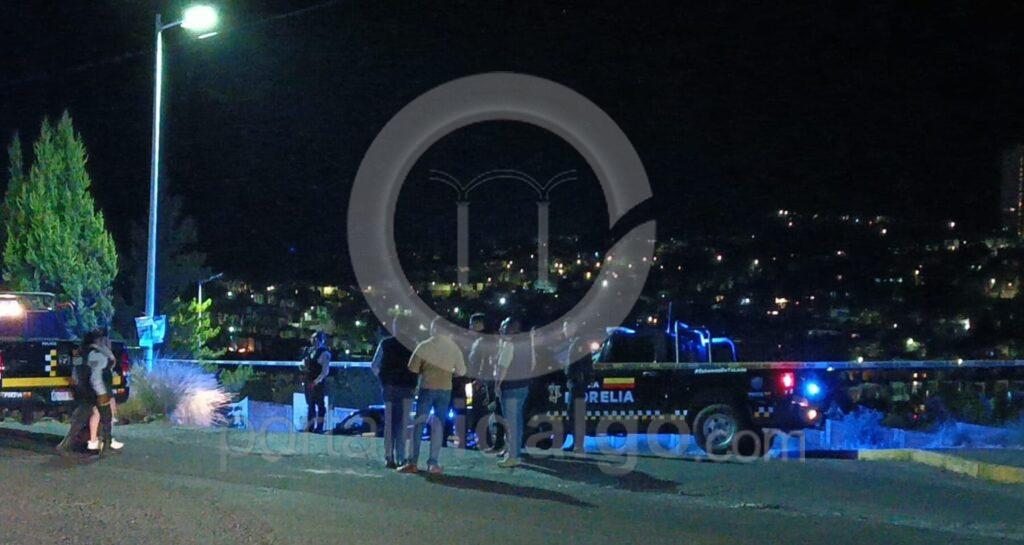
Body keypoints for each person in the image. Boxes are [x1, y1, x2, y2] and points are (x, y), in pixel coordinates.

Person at [400, 317, 467, 475]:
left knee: (419, 425)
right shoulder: (453, 348)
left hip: (427, 387)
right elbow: (461, 371)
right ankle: (433, 463)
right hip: (445, 389)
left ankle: (412, 462)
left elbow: (412, 368)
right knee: (438, 426)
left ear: (432, 329)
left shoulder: (424, 346)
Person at [371, 314, 418, 469]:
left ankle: (388, 457)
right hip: (407, 387)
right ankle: (401, 457)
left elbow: (374, 365)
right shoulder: (413, 345)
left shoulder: (386, 344)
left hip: (390, 387)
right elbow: (418, 367)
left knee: (389, 423)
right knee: (403, 424)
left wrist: (383, 379)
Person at [495, 317, 534, 468]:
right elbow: (533, 364)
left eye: (504, 327)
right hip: (523, 385)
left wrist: (497, 385)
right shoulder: (527, 344)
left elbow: (503, 367)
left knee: (511, 423)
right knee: (517, 421)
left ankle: (512, 456)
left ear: (510, 328)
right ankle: (514, 452)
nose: (501, 330)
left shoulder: (509, 344)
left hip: (510, 387)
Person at [82, 328, 122, 453]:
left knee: (100, 414)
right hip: (101, 389)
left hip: (102, 388)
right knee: (105, 417)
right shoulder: (97, 354)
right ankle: (103, 442)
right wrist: (102, 392)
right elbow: (96, 375)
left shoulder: (97, 352)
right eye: (105, 338)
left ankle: (99, 441)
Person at [561, 320, 592, 453]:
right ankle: (576, 443)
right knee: (573, 414)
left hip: (577, 385)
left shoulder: (579, 342)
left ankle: (578, 445)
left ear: (573, 327)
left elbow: (582, 365)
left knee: (576, 414)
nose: (564, 331)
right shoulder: (576, 342)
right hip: (575, 384)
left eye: (565, 327)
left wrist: (578, 379)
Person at [301, 332, 331, 433]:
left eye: (316, 339)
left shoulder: (324, 353)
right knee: (310, 404)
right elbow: (304, 363)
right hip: (308, 380)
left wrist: (316, 381)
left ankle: (319, 427)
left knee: (320, 405)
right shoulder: (309, 351)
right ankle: (310, 427)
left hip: (318, 382)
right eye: (313, 339)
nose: (314, 341)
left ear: (321, 340)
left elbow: (325, 371)